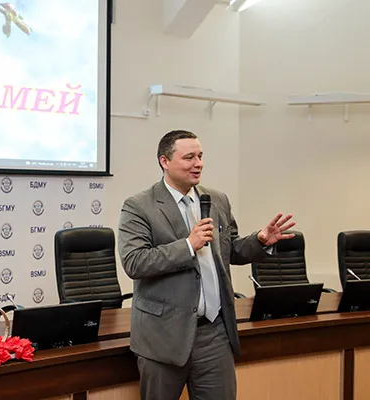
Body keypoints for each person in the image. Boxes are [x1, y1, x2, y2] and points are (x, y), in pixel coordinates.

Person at [117, 130, 295, 400]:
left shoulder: (216, 200)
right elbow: (135, 262)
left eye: (200, 156)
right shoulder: (139, 206)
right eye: (189, 157)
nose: (198, 163)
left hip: (214, 333)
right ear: (165, 161)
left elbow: (230, 250)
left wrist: (259, 241)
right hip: (164, 337)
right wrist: (188, 245)